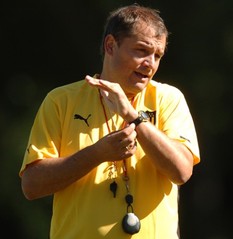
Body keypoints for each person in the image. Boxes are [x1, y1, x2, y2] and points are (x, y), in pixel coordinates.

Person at [19, 4, 200, 239]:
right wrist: (98, 153)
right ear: (111, 45)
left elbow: (182, 171)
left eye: (157, 55)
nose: (150, 64)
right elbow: (32, 186)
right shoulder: (60, 101)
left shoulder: (169, 98)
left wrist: (135, 119)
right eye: (141, 51)